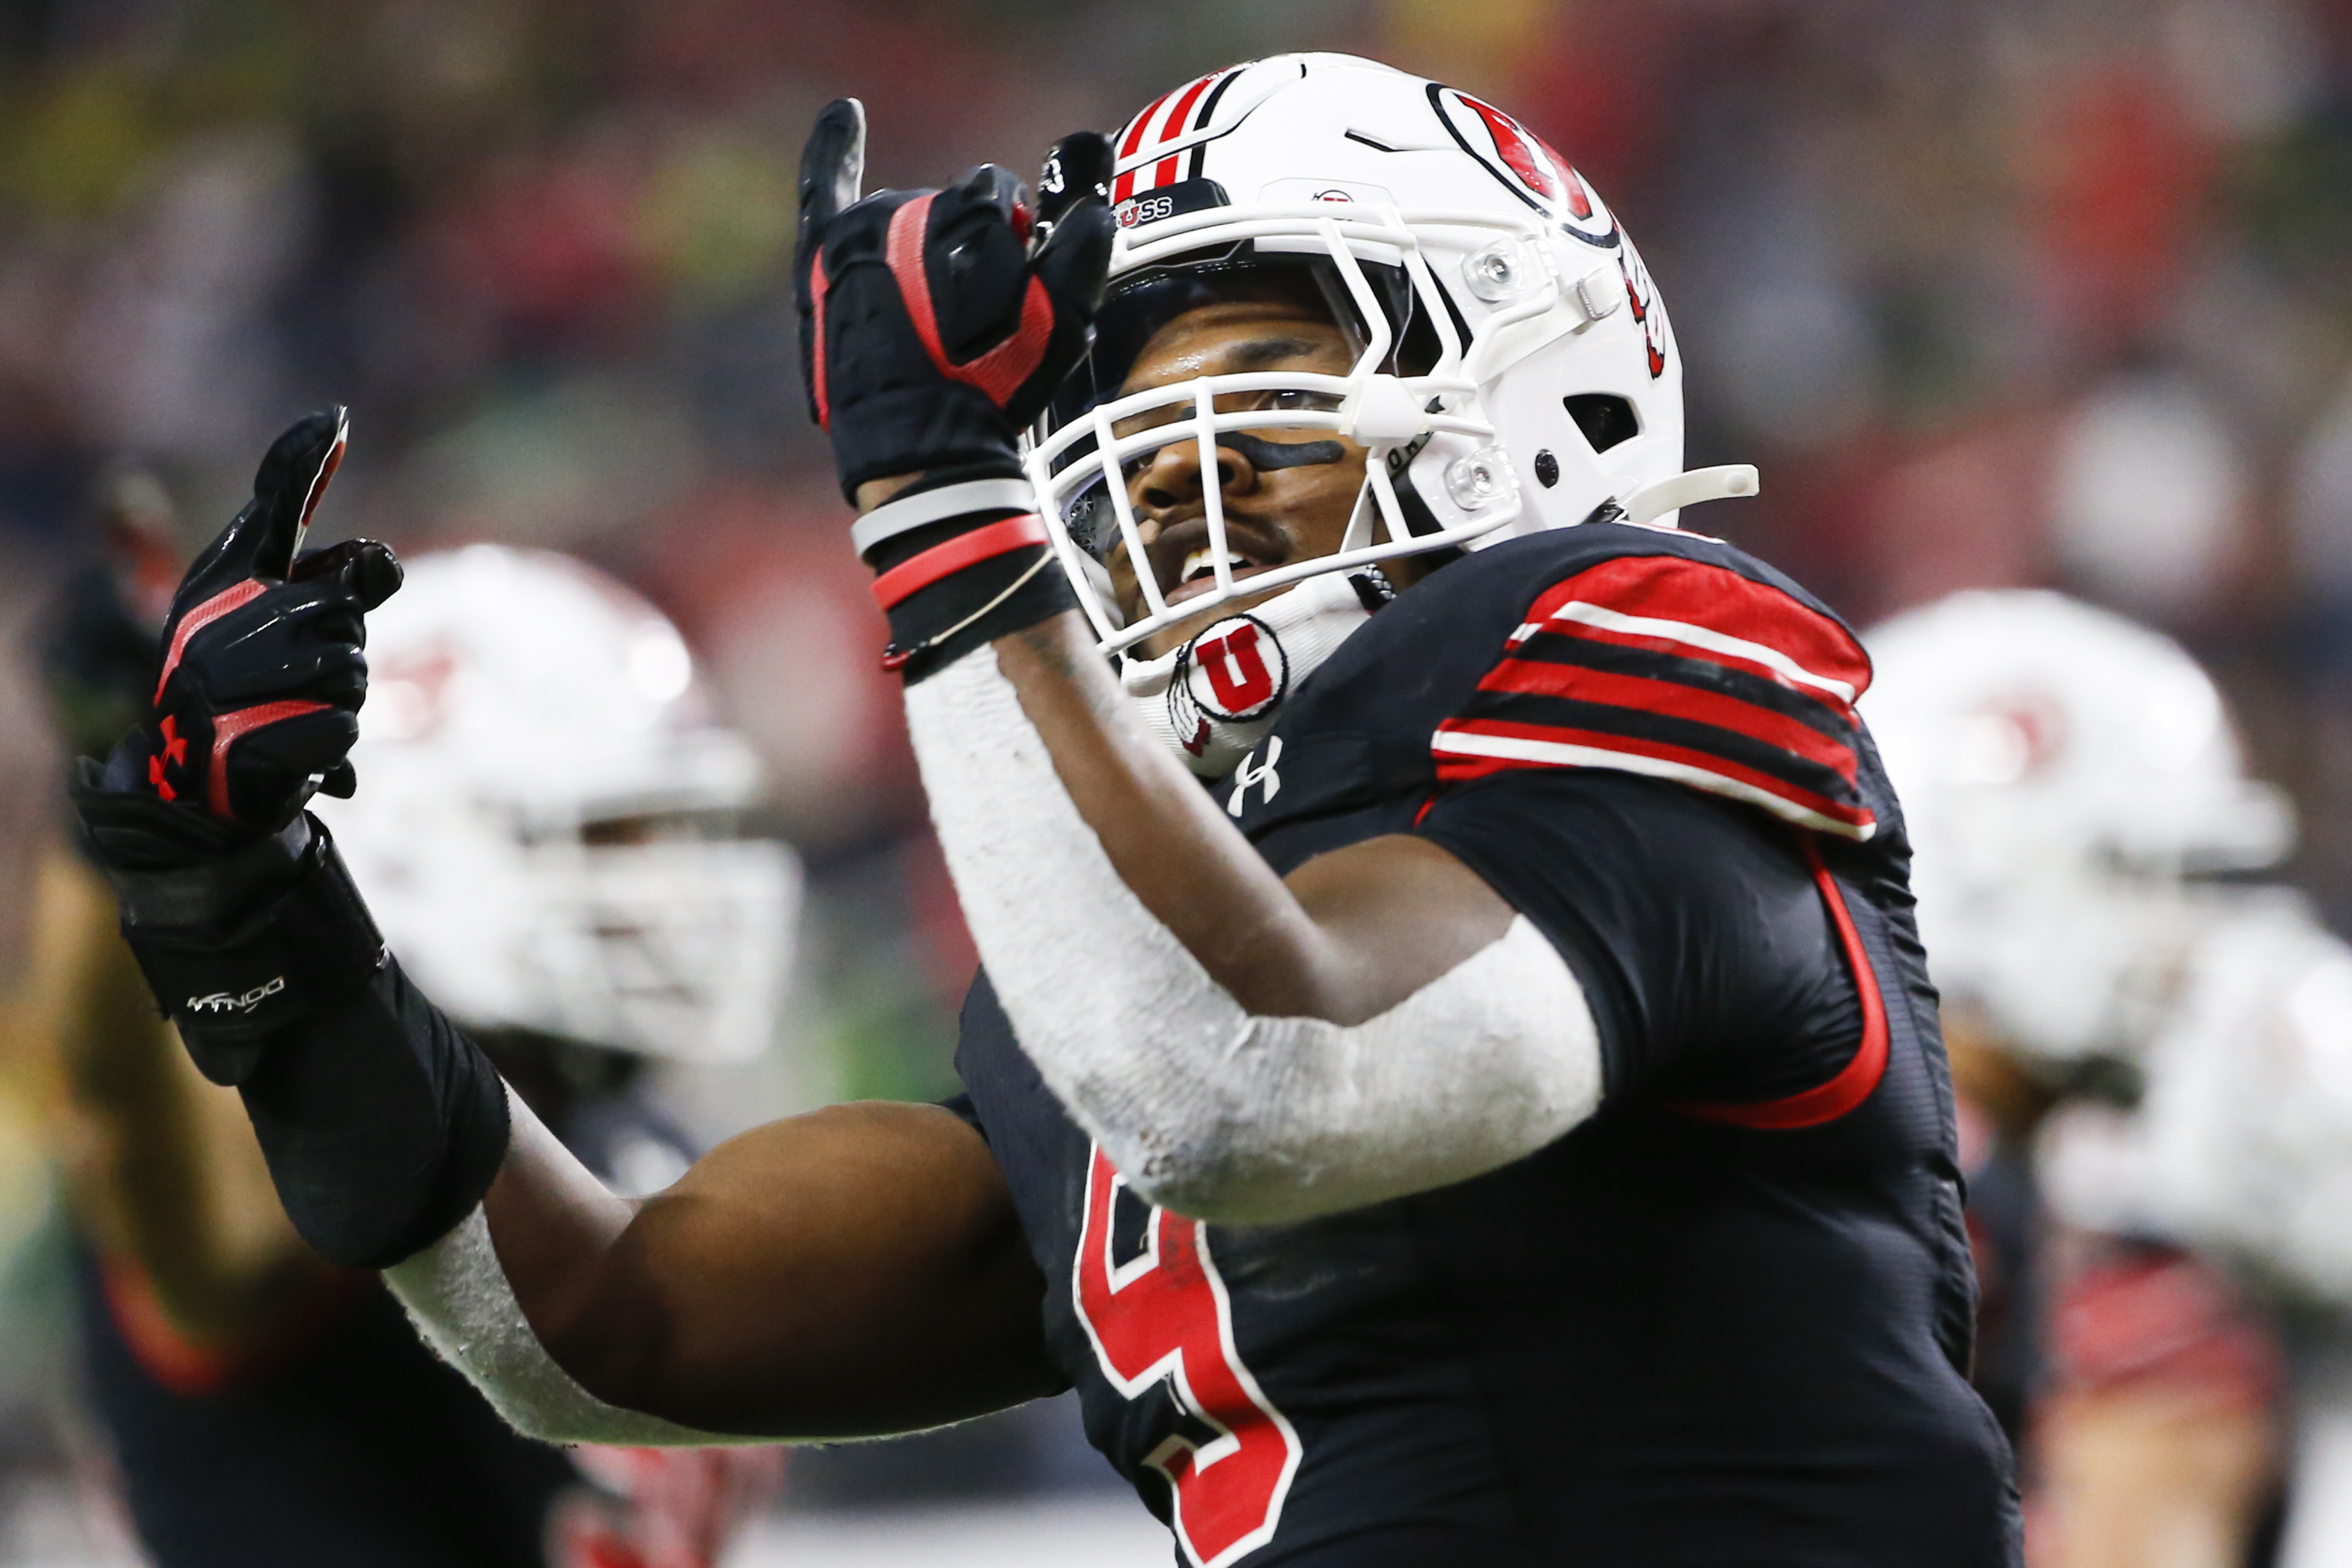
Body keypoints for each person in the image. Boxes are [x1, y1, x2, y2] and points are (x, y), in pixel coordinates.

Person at [66, 54, 2019, 1566]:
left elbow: (1266, 1075)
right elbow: (599, 1315)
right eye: (1118, 412)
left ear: (1522, 365)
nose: (1160, 474)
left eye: (1257, 364)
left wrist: (938, 503)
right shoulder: (1119, 948)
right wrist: (262, 915)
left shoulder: (1626, 643)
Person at [31, 510, 788, 1567]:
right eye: (613, 837)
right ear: (427, 841)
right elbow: (148, 1151)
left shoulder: (611, 1120)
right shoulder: (319, 1165)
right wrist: (118, 836)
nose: (670, 890)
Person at [1863, 590, 2306, 1568]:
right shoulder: (1865, 1195)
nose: (2189, 952)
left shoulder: (1971, 1181)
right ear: (1984, 874)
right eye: (2145, 881)